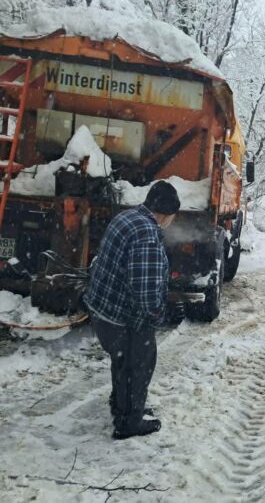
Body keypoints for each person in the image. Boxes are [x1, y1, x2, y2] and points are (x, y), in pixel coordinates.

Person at [84, 181, 182, 440]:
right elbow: (146, 288)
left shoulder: (127, 217)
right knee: (138, 363)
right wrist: (157, 315)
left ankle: (123, 405)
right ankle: (129, 421)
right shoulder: (147, 234)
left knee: (122, 359)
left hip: (103, 310)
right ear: (167, 213)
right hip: (122, 317)